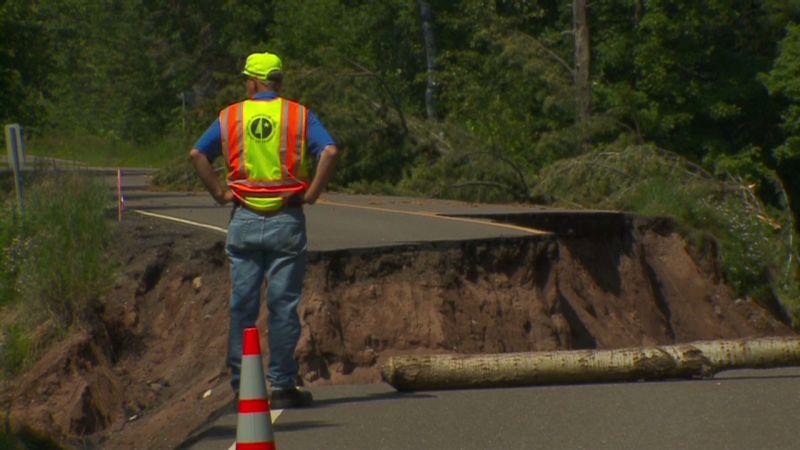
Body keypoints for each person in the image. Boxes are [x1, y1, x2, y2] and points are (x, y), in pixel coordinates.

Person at [190, 51, 339, 409]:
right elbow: (330, 152)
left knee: (243, 306)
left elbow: (197, 155)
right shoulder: (298, 115)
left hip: (244, 217)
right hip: (287, 219)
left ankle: (245, 385)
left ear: (254, 82)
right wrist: (313, 193)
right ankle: (283, 384)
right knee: (283, 307)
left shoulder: (232, 116)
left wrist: (220, 194)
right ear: (278, 81)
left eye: (247, 78)